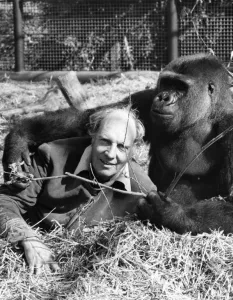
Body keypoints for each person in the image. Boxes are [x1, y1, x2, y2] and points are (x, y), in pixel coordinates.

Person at [0, 106, 156, 274]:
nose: (111, 154)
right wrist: (25, 237)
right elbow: (5, 200)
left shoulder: (142, 191)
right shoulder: (51, 155)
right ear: (92, 134)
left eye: (122, 147)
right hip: (27, 256)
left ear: (134, 148)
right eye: (105, 141)